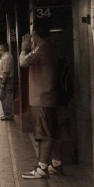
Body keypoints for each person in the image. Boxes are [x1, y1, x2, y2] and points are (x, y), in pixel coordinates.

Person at [19, 23, 64, 179]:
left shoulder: (41, 49)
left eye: (31, 36)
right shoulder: (49, 48)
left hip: (42, 98)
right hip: (49, 97)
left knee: (44, 134)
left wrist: (24, 48)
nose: (30, 39)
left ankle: (42, 168)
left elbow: (23, 63)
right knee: (53, 132)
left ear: (36, 35)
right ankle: (57, 163)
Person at [0, 43, 14, 120]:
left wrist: (3, 83)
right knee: (4, 97)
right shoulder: (5, 56)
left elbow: (6, 72)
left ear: (1, 49)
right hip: (6, 80)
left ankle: (8, 114)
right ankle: (7, 114)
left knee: (5, 97)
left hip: (6, 80)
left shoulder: (6, 58)